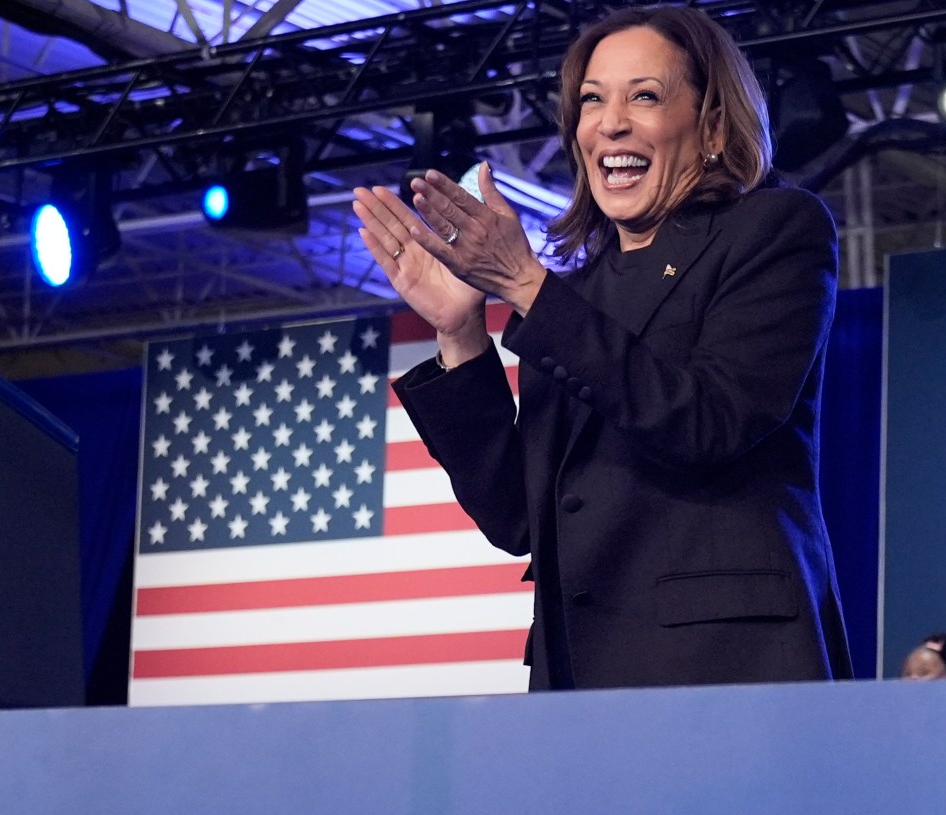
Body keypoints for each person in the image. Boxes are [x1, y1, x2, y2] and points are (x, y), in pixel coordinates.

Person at [361, 6, 848, 689]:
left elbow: (710, 422)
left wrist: (528, 285)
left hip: (725, 670)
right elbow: (519, 518)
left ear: (711, 126)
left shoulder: (774, 229)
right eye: (592, 100)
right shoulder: (573, 297)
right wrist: (459, 331)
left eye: (644, 96)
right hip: (582, 680)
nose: (610, 122)